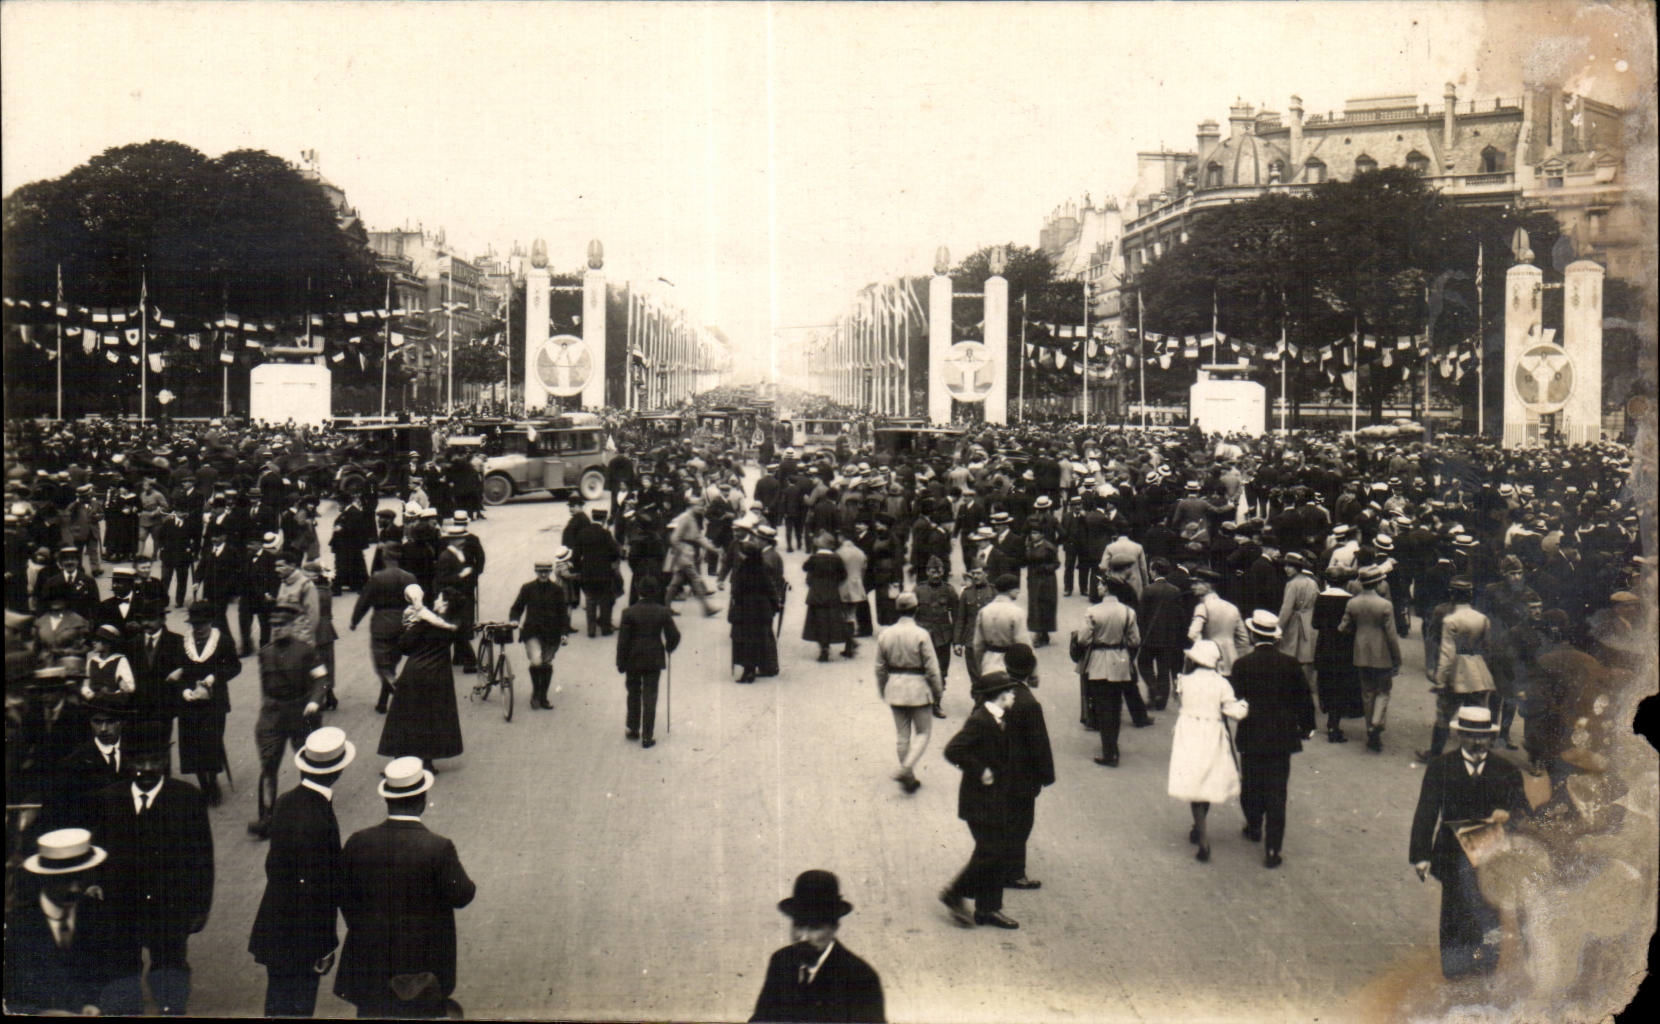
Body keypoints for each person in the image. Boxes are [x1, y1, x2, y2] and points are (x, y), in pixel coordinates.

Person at [336, 757, 476, 1019]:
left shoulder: (358, 841)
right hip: (423, 968)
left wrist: (363, 928)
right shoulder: (438, 847)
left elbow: (342, 894)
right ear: (422, 800)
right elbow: (463, 895)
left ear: (387, 799)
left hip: (370, 963)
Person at [92, 718, 213, 1015]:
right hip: (122, 905)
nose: (147, 768)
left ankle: (171, 1007)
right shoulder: (109, 799)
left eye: (155, 760)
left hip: (169, 907)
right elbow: (98, 850)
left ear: (165, 760)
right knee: (123, 969)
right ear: (128, 762)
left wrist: (200, 907)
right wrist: (95, 884)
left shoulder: (187, 799)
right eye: (139, 761)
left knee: (170, 967)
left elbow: (202, 858)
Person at [1408, 706, 1527, 979]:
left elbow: (1524, 811)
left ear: (1491, 737)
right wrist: (1421, 856)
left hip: (1492, 854)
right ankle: (1454, 967)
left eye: (1482, 736)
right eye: (1471, 735)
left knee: (1488, 910)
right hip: (1451, 852)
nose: (1477, 741)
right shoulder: (1441, 767)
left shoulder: (1506, 770)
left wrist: (1508, 816)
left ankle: (1485, 966)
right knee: (1453, 909)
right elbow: (1426, 811)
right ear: (1459, 735)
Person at [248, 727, 352, 1017]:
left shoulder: (286, 801)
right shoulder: (319, 816)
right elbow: (319, 889)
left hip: (276, 926)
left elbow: (274, 866)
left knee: (277, 1002)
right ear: (338, 771)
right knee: (298, 1006)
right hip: (304, 938)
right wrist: (324, 946)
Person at [5, 828, 130, 1015]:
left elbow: (122, 980)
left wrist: (98, 1006)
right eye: (64, 879)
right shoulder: (16, 925)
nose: (74, 888)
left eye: (80, 878)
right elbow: (10, 998)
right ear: (43, 877)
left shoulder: (103, 917)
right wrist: (39, 1014)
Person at [1230, 611, 1316, 868]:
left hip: (1251, 734)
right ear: (1275, 638)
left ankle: (1254, 825)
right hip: (1282, 736)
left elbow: (1236, 699)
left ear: (1253, 635)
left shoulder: (1242, 665)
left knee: (1251, 783)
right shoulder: (1290, 664)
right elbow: (1304, 699)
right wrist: (1307, 727)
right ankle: (1272, 849)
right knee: (1277, 791)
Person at [939, 672, 1022, 930]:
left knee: (994, 851)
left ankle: (988, 909)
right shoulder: (980, 720)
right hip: (978, 801)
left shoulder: (1000, 717)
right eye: (1010, 692)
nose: (1014, 695)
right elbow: (953, 750)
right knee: (991, 851)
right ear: (1000, 696)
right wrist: (980, 769)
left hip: (995, 798)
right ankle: (955, 892)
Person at [750, 869, 886, 1024]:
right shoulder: (781, 961)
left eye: (814, 927)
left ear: (834, 928)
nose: (803, 937)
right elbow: (761, 1019)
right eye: (799, 925)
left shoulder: (860, 977)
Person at [250, 602, 329, 839]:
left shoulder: (306, 651)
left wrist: (314, 702)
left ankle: (313, 811)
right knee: (268, 765)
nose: (277, 629)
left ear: (292, 625)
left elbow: (322, 679)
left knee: (307, 764)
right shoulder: (265, 653)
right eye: (274, 625)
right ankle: (267, 816)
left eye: (282, 625)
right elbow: (265, 686)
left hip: (300, 713)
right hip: (273, 716)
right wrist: (267, 709)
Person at [1166, 640, 1249, 863]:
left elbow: (1180, 700)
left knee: (1194, 781)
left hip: (1188, 731)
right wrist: (1245, 705)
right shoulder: (1222, 683)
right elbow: (1233, 711)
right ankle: (1199, 829)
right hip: (1212, 733)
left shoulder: (1184, 680)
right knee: (1207, 778)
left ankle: (1201, 833)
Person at [379, 585, 465, 770]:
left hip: (416, 671)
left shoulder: (425, 623)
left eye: (439, 598)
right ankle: (427, 762)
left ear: (445, 603)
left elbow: (405, 645)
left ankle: (401, 760)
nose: (435, 601)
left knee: (406, 716)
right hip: (440, 673)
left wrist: (407, 627)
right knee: (432, 718)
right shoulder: (455, 622)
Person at [874, 591, 943, 792]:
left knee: (902, 735)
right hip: (918, 688)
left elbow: (879, 668)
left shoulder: (885, 634)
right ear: (916, 609)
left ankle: (909, 778)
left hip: (895, 687)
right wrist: (937, 691)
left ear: (897, 610)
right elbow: (932, 669)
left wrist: (883, 689)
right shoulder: (921, 634)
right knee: (923, 732)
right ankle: (905, 769)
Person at [1073, 582, 1148, 766]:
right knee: (1116, 706)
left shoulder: (1093, 611)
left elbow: (1083, 639)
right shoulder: (1128, 612)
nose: (1098, 587)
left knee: (1103, 706)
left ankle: (1109, 751)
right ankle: (1112, 747)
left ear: (1106, 589)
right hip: (1120, 661)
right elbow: (1135, 640)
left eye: (1100, 585)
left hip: (1098, 661)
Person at [999, 644, 1054, 892]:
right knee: (1021, 823)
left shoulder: (995, 693)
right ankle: (1015, 873)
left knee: (1003, 819)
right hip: (1020, 776)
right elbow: (1039, 743)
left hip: (996, 768)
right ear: (1030, 668)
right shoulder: (1029, 703)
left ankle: (1000, 865)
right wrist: (1045, 775)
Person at [176, 601, 240, 806]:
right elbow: (180, 670)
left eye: (202, 624)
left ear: (210, 622)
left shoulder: (223, 641)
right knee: (191, 743)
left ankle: (212, 782)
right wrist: (184, 690)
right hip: (190, 701)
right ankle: (203, 784)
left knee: (211, 742)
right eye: (195, 624)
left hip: (215, 700)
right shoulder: (184, 642)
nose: (198, 628)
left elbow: (235, 666)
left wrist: (215, 677)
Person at [1340, 563, 1403, 752]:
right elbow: (1391, 635)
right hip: (1382, 652)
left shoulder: (1352, 603)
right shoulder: (1385, 605)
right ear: (1377, 583)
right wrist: (1397, 658)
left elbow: (1343, 627)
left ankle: (1370, 729)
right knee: (1383, 691)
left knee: (1367, 692)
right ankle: (1376, 723)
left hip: (1360, 652)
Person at [615, 574, 681, 747]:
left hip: (633, 659)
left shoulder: (628, 612)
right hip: (654, 659)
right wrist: (668, 647)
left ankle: (633, 728)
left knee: (633, 693)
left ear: (639, 591)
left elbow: (623, 641)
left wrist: (620, 662)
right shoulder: (663, 611)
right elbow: (674, 636)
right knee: (650, 696)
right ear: (656, 591)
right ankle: (647, 736)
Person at [351, 542, 415, 714]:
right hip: (403, 623)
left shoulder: (377, 578)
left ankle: (398, 690)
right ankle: (382, 701)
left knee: (382, 665)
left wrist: (354, 620)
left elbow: (364, 601)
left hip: (381, 623)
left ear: (384, 556)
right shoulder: (409, 578)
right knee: (392, 662)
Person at [508, 554, 572, 710]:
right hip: (532, 632)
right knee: (536, 661)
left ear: (550, 572)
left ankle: (543, 696)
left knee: (546, 663)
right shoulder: (527, 588)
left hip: (552, 634)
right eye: (540, 571)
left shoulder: (557, 590)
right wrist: (514, 619)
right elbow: (517, 607)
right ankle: (536, 693)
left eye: (546, 571)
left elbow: (563, 614)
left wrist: (564, 633)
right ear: (536, 572)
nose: (543, 574)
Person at [911, 556, 958, 718]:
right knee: (920, 669)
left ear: (943, 572)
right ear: (927, 572)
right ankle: (921, 701)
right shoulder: (918, 590)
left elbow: (957, 616)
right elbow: (910, 615)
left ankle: (936, 702)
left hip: (942, 638)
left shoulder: (949, 590)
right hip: (922, 637)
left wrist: (956, 641)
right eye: (932, 571)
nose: (936, 575)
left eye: (939, 571)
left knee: (941, 671)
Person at [802, 532, 853, 662]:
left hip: (816, 594)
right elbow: (843, 575)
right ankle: (832, 643)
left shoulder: (814, 558)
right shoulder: (836, 558)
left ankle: (823, 648)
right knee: (830, 621)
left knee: (818, 622)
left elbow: (805, 568)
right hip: (832, 594)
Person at [971, 573, 1030, 681]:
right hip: (1011, 663)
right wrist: (1032, 672)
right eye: (1016, 588)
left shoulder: (984, 611)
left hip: (989, 662)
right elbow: (1024, 644)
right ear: (1010, 590)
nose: (1018, 591)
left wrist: (980, 667)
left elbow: (977, 645)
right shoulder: (1017, 612)